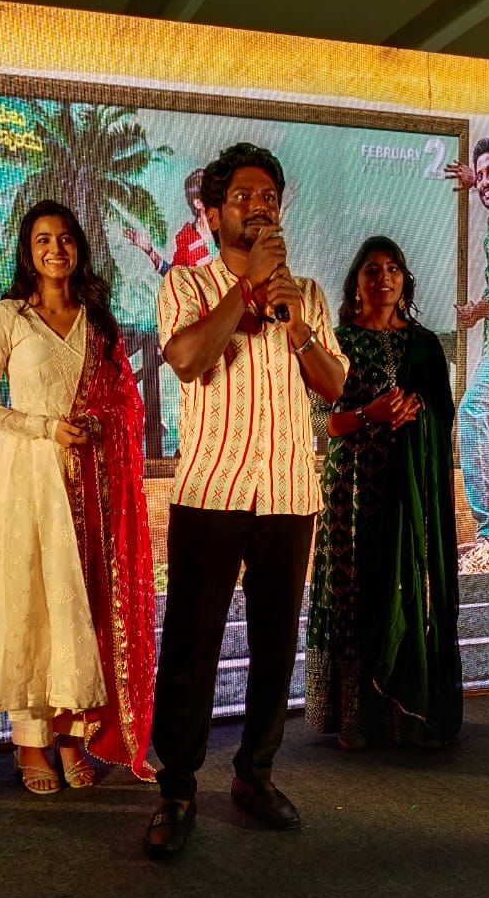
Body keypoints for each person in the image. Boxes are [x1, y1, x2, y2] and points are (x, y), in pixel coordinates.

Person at [143, 141, 348, 858]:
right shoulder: (187, 285)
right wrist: (247, 288)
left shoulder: (308, 295)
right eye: (243, 197)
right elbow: (188, 359)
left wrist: (296, 327)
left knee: (275, 646)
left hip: (289, 493)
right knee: (192, 645)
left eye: (269, 197)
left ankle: (254, 774)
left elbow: (333, 386)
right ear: (213, 212)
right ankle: (176, 788)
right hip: (212, 491)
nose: (259, 206)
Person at [0, 199, 156, 792]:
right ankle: (30, 744)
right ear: (28, 250)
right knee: (30, 608)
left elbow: (127, 403)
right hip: (26, 479)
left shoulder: (98, 320)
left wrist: (97, 425)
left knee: (78, 606)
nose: (55, 249)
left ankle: (72, 737)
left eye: (65, 238)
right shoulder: (8, 316)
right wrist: (44, 427)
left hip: (88, 484)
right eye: (43, 239)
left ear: (79, 248)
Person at [305, 236, 463, 751]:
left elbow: (444, 414)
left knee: (406, 584)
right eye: (372, 270)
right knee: (354, 588)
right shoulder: (338, 343)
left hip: (409, 491)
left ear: (404, 281)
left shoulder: (425, 346)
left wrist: (417, 411)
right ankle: (355, 715)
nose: (384, 278)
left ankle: (405, 715)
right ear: (356, 283)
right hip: (352, 489)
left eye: (393, 269)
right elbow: (321, 423)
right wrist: (369, 414)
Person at [445, 138, 489, 572]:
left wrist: (474, 312)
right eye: (480, 173)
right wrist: (477, 180)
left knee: (471, 413)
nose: (485, 181)